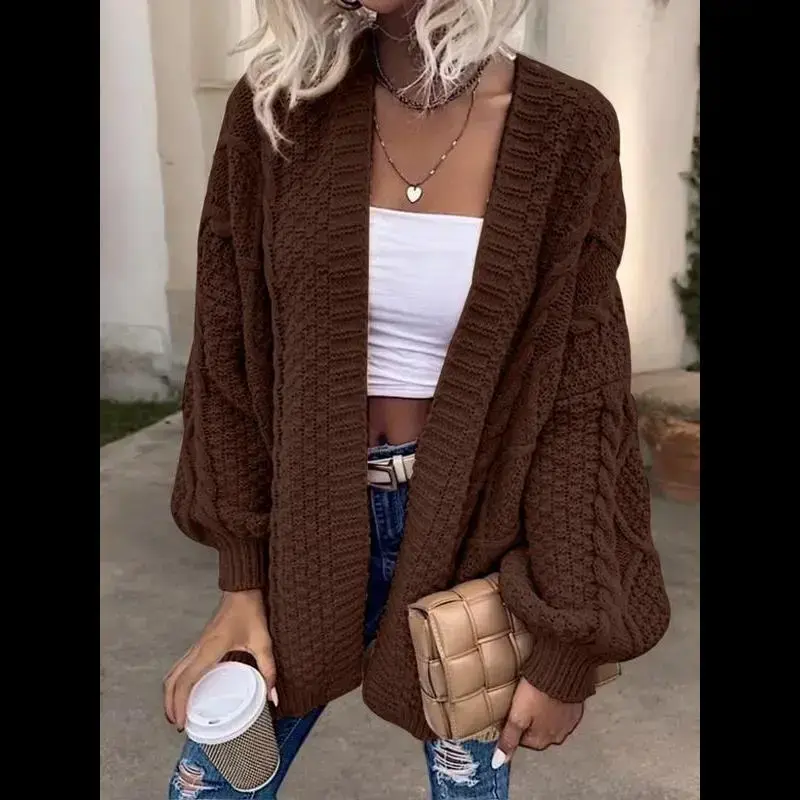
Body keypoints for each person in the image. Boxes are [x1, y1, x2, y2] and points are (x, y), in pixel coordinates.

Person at [162, 1, 671, 797]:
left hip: (476, 532)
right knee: (209, 785)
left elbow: (579, 400)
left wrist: (568, 645)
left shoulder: (568, 128)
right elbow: (227, 357)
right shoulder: (279, 109)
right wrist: (241, 580)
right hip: (307, 523)